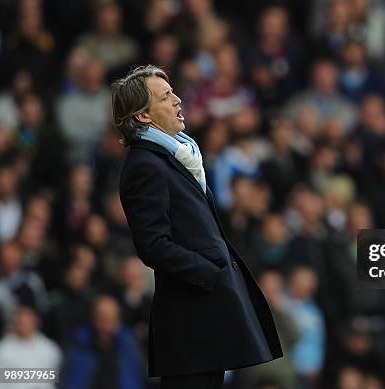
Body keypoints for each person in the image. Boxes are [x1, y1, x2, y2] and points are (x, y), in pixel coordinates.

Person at [114, 65, 283, 389]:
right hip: (187, 321)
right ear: (144, 117)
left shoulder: (176, 156)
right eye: (165, 97)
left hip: (205, 314)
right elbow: (153, 245)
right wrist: (210, 273)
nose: (178, 100)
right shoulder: (144, 166)